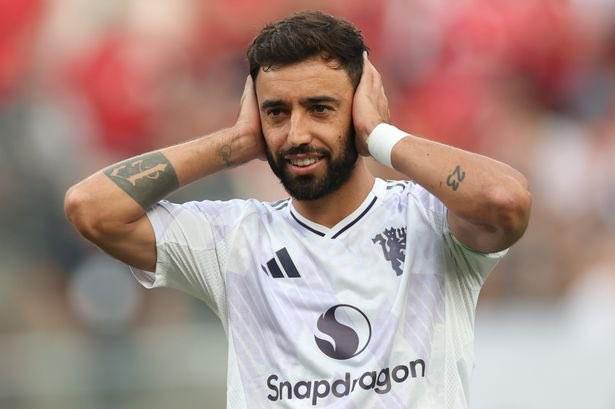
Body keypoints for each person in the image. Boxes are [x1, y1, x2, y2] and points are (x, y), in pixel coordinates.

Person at [65, 11, 531, 409]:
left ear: (359, 109)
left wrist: (382, 136)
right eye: (277, 112)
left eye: (320, 108)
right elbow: (91, 208)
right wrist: (233, 144)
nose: (297, 134)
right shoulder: (234, 240)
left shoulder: (428, 219)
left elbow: (506, 201)